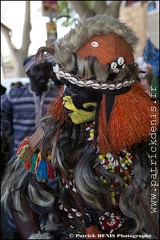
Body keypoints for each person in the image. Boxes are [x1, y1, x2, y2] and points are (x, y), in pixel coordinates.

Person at [1, 14, 159, 239]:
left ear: (110, 97)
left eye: (76, 90)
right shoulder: (55, 130)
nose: (63, 98)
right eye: (64, 86)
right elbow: (18, 192)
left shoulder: (148, 134)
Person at [0, 54, 62, 239]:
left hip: (52, 165)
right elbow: (2, 115)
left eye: (46, 68)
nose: (42, 73)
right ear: (27, 73)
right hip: (21, 165)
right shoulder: (14, 96)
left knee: (52, 209)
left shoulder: (59, 97)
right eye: (37, 69)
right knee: (20, 209)